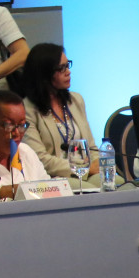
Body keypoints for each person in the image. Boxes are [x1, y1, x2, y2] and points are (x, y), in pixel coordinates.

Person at [21, 43, 105, 184]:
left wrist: (100, 165)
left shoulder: (76, 100)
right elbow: (40, 159)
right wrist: (84, 168)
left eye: (68, 65)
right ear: (44, 74)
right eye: (61, 68)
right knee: (85, 188)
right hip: (54, 176)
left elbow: (91, 148)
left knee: (116, 183)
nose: (68, 72)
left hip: (85, 171)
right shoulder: (27, 109)